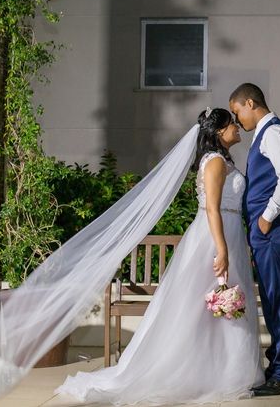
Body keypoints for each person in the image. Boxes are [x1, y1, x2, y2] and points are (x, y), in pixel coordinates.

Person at [55, 108, 264, 404]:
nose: (238, 127)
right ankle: (208, 372)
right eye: (232, 124)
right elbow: (213, 209)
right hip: (214, 236)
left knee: (216, 308)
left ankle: (220, 370)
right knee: (206, 306)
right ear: (219, 132)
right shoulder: (216, 162)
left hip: (226, 231)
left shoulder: (221, 159)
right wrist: (222, 249)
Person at [229, 83, 280, 396]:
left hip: (273, 229)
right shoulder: (265, 134)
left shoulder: (274, 132)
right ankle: (278, 367)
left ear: (250, 102)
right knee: (273, 299)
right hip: (266, 232)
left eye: (237, 111)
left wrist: (266, 217)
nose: (237, 119)